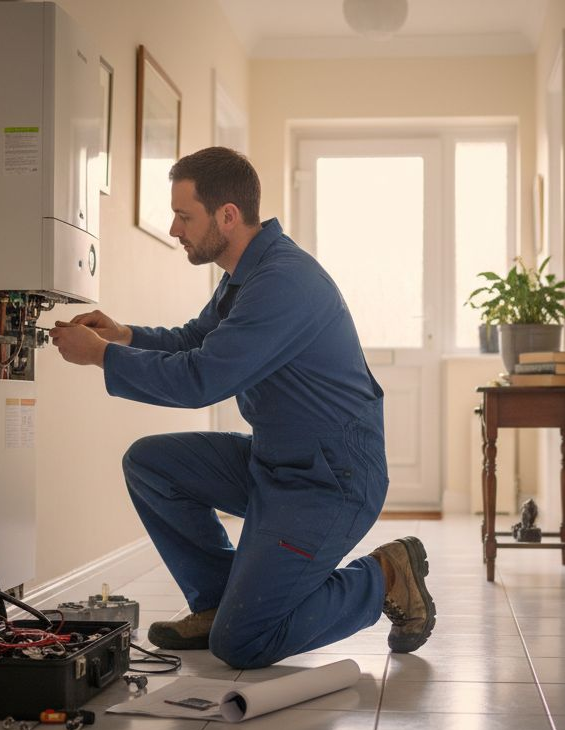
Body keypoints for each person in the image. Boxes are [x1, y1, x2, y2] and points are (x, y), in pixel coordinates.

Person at [47, 147, 436, 669]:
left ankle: (387, 574)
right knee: (150, 464)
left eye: (185, 216)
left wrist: (103, 357)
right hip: (276, 461)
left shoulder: (283, 282)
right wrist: (126, 335)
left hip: (332, 479)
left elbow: (200, 380)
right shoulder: (245, 274)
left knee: (244, 643)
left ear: (227, 215)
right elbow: (195, 340)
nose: (173, 227)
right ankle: (215, 601)